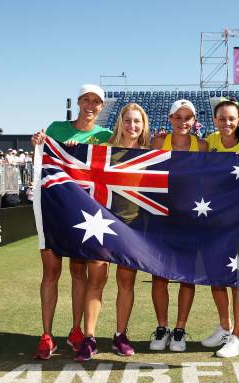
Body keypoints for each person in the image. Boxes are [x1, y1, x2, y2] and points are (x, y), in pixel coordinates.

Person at [31, 84, 112, 361]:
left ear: (101, 107)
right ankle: (47, 335)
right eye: (86, 100)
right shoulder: (56, 128)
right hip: (55, 207)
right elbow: (43, 157)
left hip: (86, 213)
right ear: (78, 102)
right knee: (51, 271)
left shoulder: (105, 136)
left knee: (79, 273)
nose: (91, 105)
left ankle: (76, 331)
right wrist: (39, 144)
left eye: (96, 102)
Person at [149, 99, 208, 352]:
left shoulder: (202, 145)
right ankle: (162, 327)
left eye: (188, 118)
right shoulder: (158, 142)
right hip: (160, 216)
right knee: (159, 275)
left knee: (187, 276)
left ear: (194, 121)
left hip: (190, 218)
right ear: (170, 118)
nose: (183, 122)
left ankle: (180, 330)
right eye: (178, 117)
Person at [202, 97, 239, 358]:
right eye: (222, 118)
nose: (226, 123)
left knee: (238, 280)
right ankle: (225, 327)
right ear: (214, 120)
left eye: (231, 118)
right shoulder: (209, 143)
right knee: (217, 278)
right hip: (214, 221)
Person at [106, 103, 152, 356]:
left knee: (126, 283)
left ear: (143, 125)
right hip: (102, 224)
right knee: (96, 282)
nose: (132, 126)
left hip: (133, 228)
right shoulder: (103, 152)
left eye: (137, 121)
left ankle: (120, 334)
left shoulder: (150, 155)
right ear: (120, 122)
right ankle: (88, 336)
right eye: (127, 120)